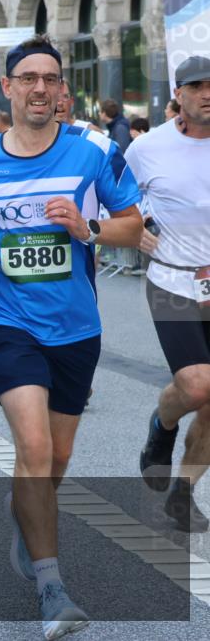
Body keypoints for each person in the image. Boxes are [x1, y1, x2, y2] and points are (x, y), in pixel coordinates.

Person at [0, 35, 143, 640]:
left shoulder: (94, 151)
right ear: (8, 87)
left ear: (61, 88)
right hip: (7, 315)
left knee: (55, 458)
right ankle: (53, 590)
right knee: (33, 445)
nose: (41, 88)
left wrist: (89, 227)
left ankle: (27, 508)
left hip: (77, 325)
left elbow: (133, 226)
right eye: (29, 78)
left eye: (51, 78)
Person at [131, 55, 210, 532]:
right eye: (196, 86)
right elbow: (114, 200)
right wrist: (133, 228)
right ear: (178, 94)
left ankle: (184, 491)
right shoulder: (147, 149)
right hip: (172, 280)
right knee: (199, 384)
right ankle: (162, 427)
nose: (207, 93)